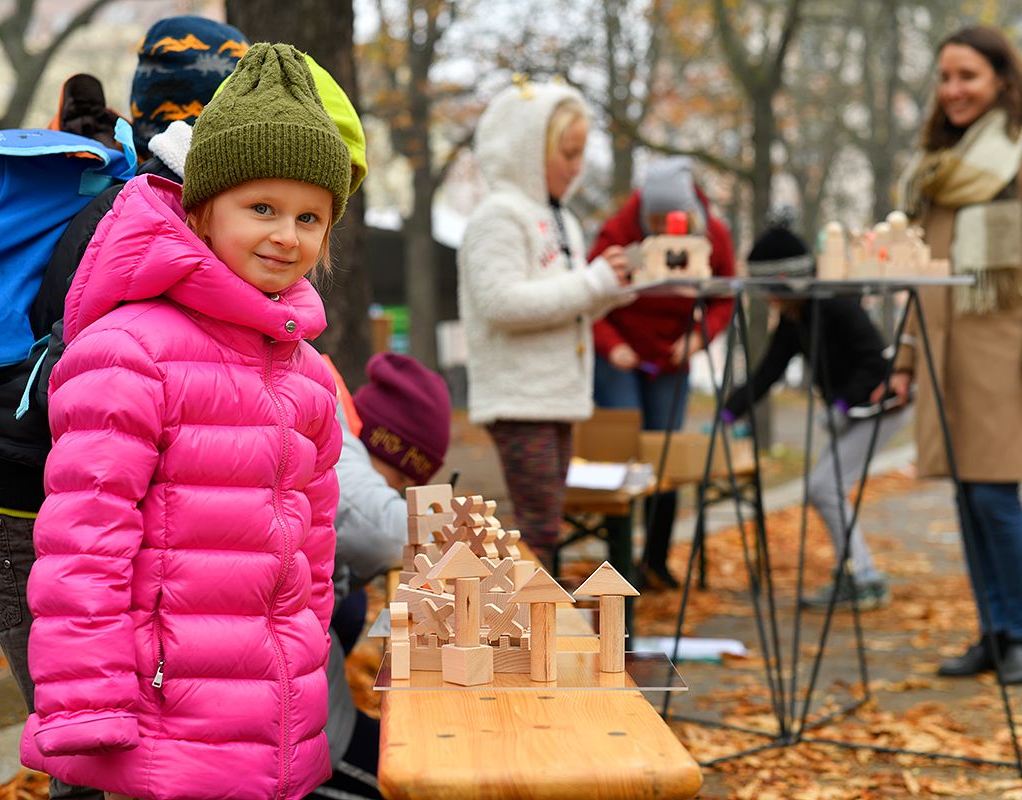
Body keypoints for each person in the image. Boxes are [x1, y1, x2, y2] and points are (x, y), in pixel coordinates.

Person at [18, 43, 353, 800]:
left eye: (310, 217)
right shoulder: (128, 350)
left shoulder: (306, 376)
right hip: (162, 711)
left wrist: (304, 659)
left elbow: (316, 548)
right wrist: (89, 703)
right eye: (260, 208)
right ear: (201, 210)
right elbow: (84, 545)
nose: (286, 236)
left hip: (274, 712)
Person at [0, 16, 248, 800]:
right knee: (87, 735)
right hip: (18, 488)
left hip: (42, 477)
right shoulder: (149, 210)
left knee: (105, 724)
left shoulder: (112, 180)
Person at [891, 26, 1022, 684]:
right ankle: (993, 633)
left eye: (967, 76)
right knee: (969, 499)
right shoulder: (940, 166)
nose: (953, 91)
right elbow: (921, 270)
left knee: (997, 497)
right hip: (947, 356)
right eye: (945, 78)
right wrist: (906, 359)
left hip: (1007, 355)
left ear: (1002, 78)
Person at [458, 79, 632, 557]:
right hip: (521, 398)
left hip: (557, 397)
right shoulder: (500, 216)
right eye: (568, 154)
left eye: (580, 154)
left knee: (547, 524)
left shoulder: (562, 218)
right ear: (527, 150)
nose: (577, 169)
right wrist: (592, 284)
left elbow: (564, 303)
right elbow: (503, 304)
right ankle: (531, 626)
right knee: (536, 529)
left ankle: (540, 623)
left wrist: (613, 291)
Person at [723, 223, 908, 610]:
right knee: (824, 488)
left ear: (785, 281)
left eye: (769, 290)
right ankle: (859, 573)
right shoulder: (796, 319)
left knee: (824, 487)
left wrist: (842, 404)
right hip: (855, 411)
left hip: (879, 407)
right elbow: (768, 371)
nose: (767, 300)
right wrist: (729, 411)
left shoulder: (833, 302)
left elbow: (875, 360)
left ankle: (863, 577)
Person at [589, 155, 737, 589]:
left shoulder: (713, 234)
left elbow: (725, 298)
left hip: (672, 357)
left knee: (665, 455)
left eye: (671, 218)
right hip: (621, 356)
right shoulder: (619, 231)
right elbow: (589, 295)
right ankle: (618, 563)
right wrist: (611, 346)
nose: (660, 225)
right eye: (653, 217)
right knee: (627, 451)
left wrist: (697, 338)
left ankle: (655, 559)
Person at [314, 351, 452, 800]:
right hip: (287, 735)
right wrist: (457, 528)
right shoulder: (340, 449)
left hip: (284, 697)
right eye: (399, 481)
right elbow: (383, 531)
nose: (395, 492)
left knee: (352, 602)